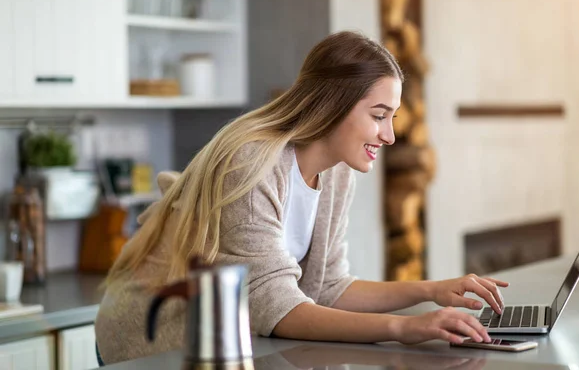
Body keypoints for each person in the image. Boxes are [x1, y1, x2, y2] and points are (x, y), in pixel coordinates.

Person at [94, 31, 508, 365]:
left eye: (392, 118)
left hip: (223, 344)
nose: (390, 135)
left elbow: (327, 286)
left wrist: (430, 291)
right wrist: (404, 328)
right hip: (150, 343)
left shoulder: (338, 172)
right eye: (379, 116)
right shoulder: (251, 163)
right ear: (334, 105)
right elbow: (279, 310)